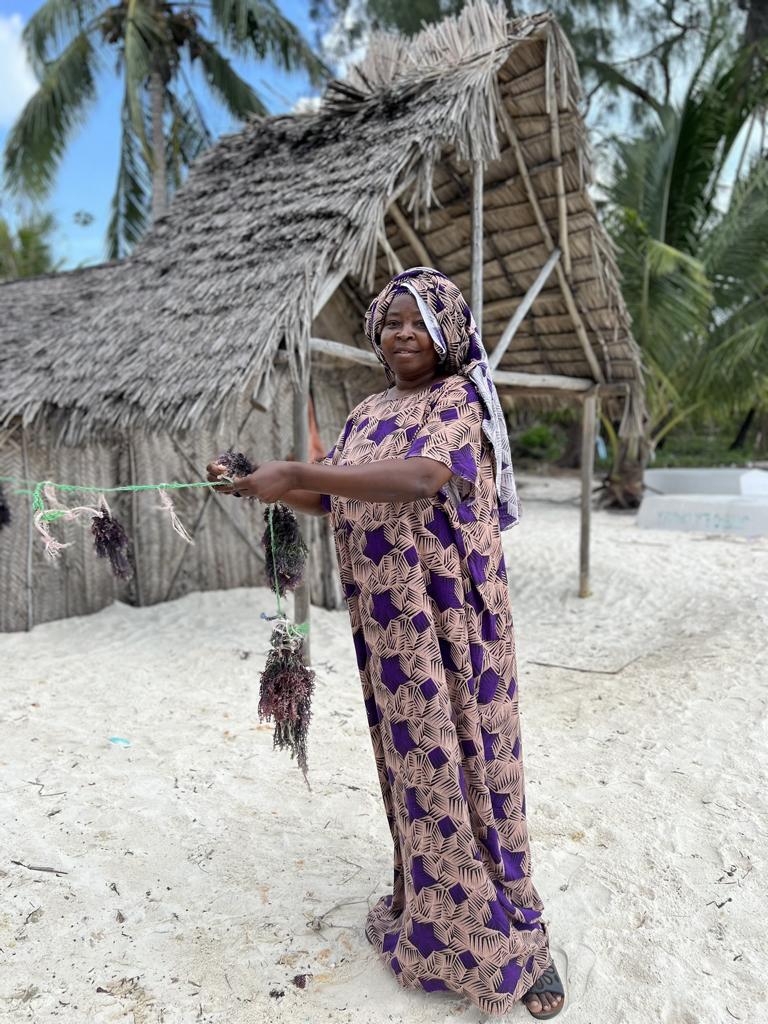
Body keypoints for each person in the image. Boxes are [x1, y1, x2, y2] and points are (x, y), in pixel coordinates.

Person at [206, 267, 566, 1020]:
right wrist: (258, 485)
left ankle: (513, 945)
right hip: (387, 626)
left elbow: (424, 477)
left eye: (418, 322)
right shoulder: (368, 409)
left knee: (469, 763)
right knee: (414, 771)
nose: (403, 333)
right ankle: (432, 919)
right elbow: (331, 491)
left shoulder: (459, 399)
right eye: (391, 321)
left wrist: (301, 467)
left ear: (446, 331)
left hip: (451, 621)